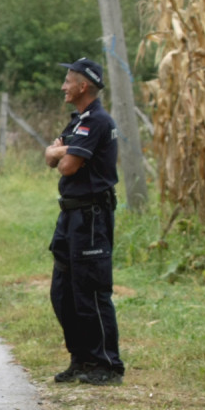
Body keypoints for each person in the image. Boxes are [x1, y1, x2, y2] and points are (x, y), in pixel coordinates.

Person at [44, 57, 125, 386]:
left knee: (91, 291)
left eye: (68, 80)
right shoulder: (79, 122)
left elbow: (67, 166)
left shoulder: (97, 122)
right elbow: (51, 156)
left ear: (84, 85)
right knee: (63, 292)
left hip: (91, 216)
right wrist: (62, 151)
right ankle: (80, 358)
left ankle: (106, 363)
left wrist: (62, 153)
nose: (63, 86)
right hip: (70, 214)